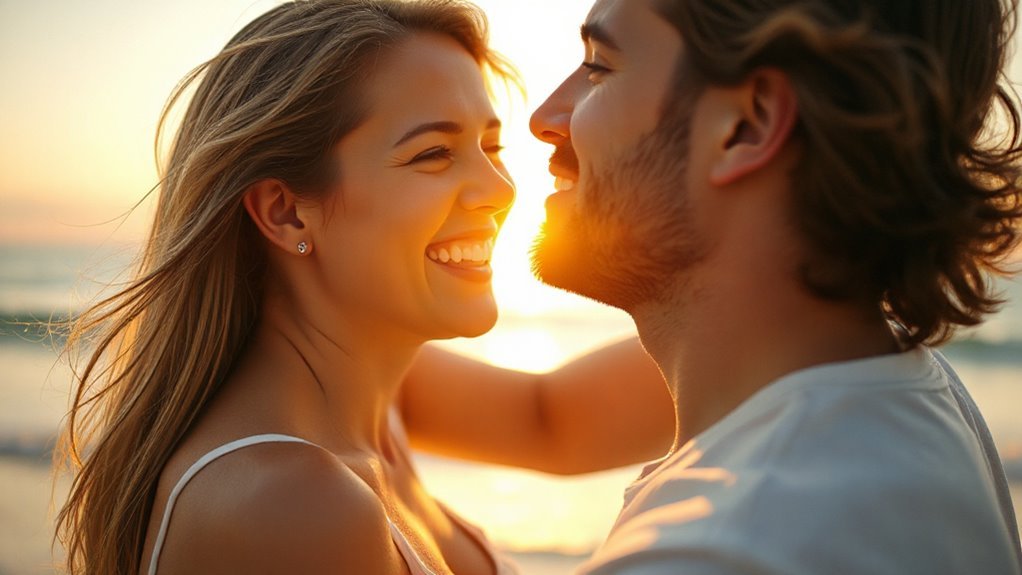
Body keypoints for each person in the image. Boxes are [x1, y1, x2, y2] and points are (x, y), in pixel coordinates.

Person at [399, 0, 1022, 573]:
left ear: (745, 127)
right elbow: (542, 418)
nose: (545, 119)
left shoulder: (722, 550)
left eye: (600, 66)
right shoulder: (889, 382)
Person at [52, 1, 675, 573]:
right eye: (433, 153)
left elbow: (555, 421)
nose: (500, 189)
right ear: (286, 212)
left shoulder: (372, 400)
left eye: (491, 145)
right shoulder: (292, 505)